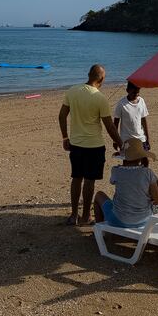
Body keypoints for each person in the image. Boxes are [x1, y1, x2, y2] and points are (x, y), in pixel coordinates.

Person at [58, 64, 123, 226]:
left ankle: (74, 215)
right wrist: (120, 142)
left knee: (76, 178)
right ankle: (86, 216)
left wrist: (65, 137)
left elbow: (62, 116)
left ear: (88, 74)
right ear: (102, 79)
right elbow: (110, 126)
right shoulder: (100, 98)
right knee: (89, 181)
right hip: (94, 146)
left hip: (76, 145)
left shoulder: (72, 91)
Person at [94, 138, 158, 228]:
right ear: (140, 157)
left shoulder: (116, 171)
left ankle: (99, 229)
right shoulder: (147, 173)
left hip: (118, 220)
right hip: (144, 220)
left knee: (99, 195)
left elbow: (113, 181)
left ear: (123, 157)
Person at [113, 81, 150, 151]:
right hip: (127, 140)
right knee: (128, 158)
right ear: (127, 90)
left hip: (141, 139)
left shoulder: (141, 101)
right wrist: (115, 140)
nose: (136, 94)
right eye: (134, 92)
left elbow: (143, 120)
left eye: (138, 92)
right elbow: (116, 123)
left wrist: (147, 138)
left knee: (144, 157)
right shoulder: (121, 103)